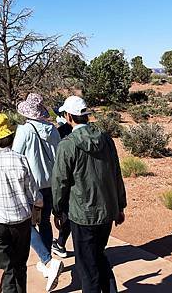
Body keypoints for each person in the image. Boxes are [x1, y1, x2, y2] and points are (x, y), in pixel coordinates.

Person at [52, 95, 127, 293]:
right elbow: (116, 173)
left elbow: (60, 182)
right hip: (106, 211)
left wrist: (58, 210)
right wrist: (119, 206)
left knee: (87, 266)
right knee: (99, 255)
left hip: (82, 215)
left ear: (68, 116)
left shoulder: (67, 145)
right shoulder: (106, 138)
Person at [0, 113, 41, 293]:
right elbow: (34, 193)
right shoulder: (21, 160)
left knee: (5, 269)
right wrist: (37, 206)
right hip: (21, 221)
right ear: (9, 136)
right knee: (20, 266)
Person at [12, 93, 63, 291]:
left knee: (26, 224)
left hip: (33, 185)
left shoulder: (25, 130)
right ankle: (46, 258)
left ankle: (48, 259)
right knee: (45, 221)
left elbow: (16, 156)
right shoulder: (53, 129)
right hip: (52, 182)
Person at [51, 109, 73, 259]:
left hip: (66, 179)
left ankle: (61, 243)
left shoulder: (59, 133)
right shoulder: (96, 134)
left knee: (65, 213)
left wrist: (56, 208)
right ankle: (60, 243)